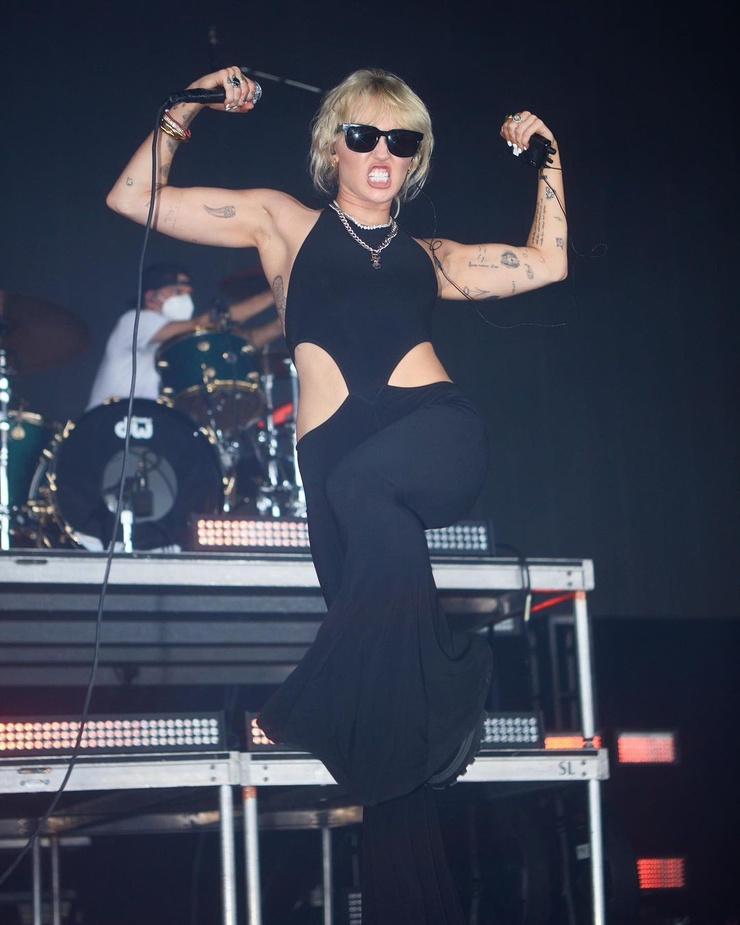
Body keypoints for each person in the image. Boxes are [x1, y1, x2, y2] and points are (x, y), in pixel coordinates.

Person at [106, 64, 566, 924]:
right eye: (365, 134)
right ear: (333, 148)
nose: (383, 150)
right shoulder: (282, 222)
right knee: (383, 717)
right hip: (338, 480)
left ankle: (323, 697)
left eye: (403, 138)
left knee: (366, 493)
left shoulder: (429, 257)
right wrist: (191, 103)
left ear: (416, 157)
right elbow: (133, 197)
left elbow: (548, 262)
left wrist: (548, 156)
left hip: (433, 436)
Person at [86, 261, 280, 410]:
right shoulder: (135, 320)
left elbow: (243, 342)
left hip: (152, 425)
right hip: (109, 425)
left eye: (188, 294)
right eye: (178, 292)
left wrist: (282, 324)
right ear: (151, 297)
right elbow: (208, 322)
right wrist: (277, 291)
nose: (186, 300)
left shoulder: (179, 343)